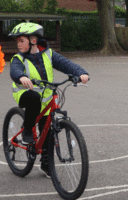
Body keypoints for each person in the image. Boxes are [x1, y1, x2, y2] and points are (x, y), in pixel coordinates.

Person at [9, 22, 89, 178]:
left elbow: (67, 64)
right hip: (26, 93)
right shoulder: (18, 58)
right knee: (34, 98)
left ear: (33, 40)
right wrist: (22, 77)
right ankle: (27, 129)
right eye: (17, 41)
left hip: (46, 99)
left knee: (48, 131)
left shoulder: (48, 54)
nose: (18, 44)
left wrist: (81, 73)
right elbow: (15, 71)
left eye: (21, 40)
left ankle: (46, 164)